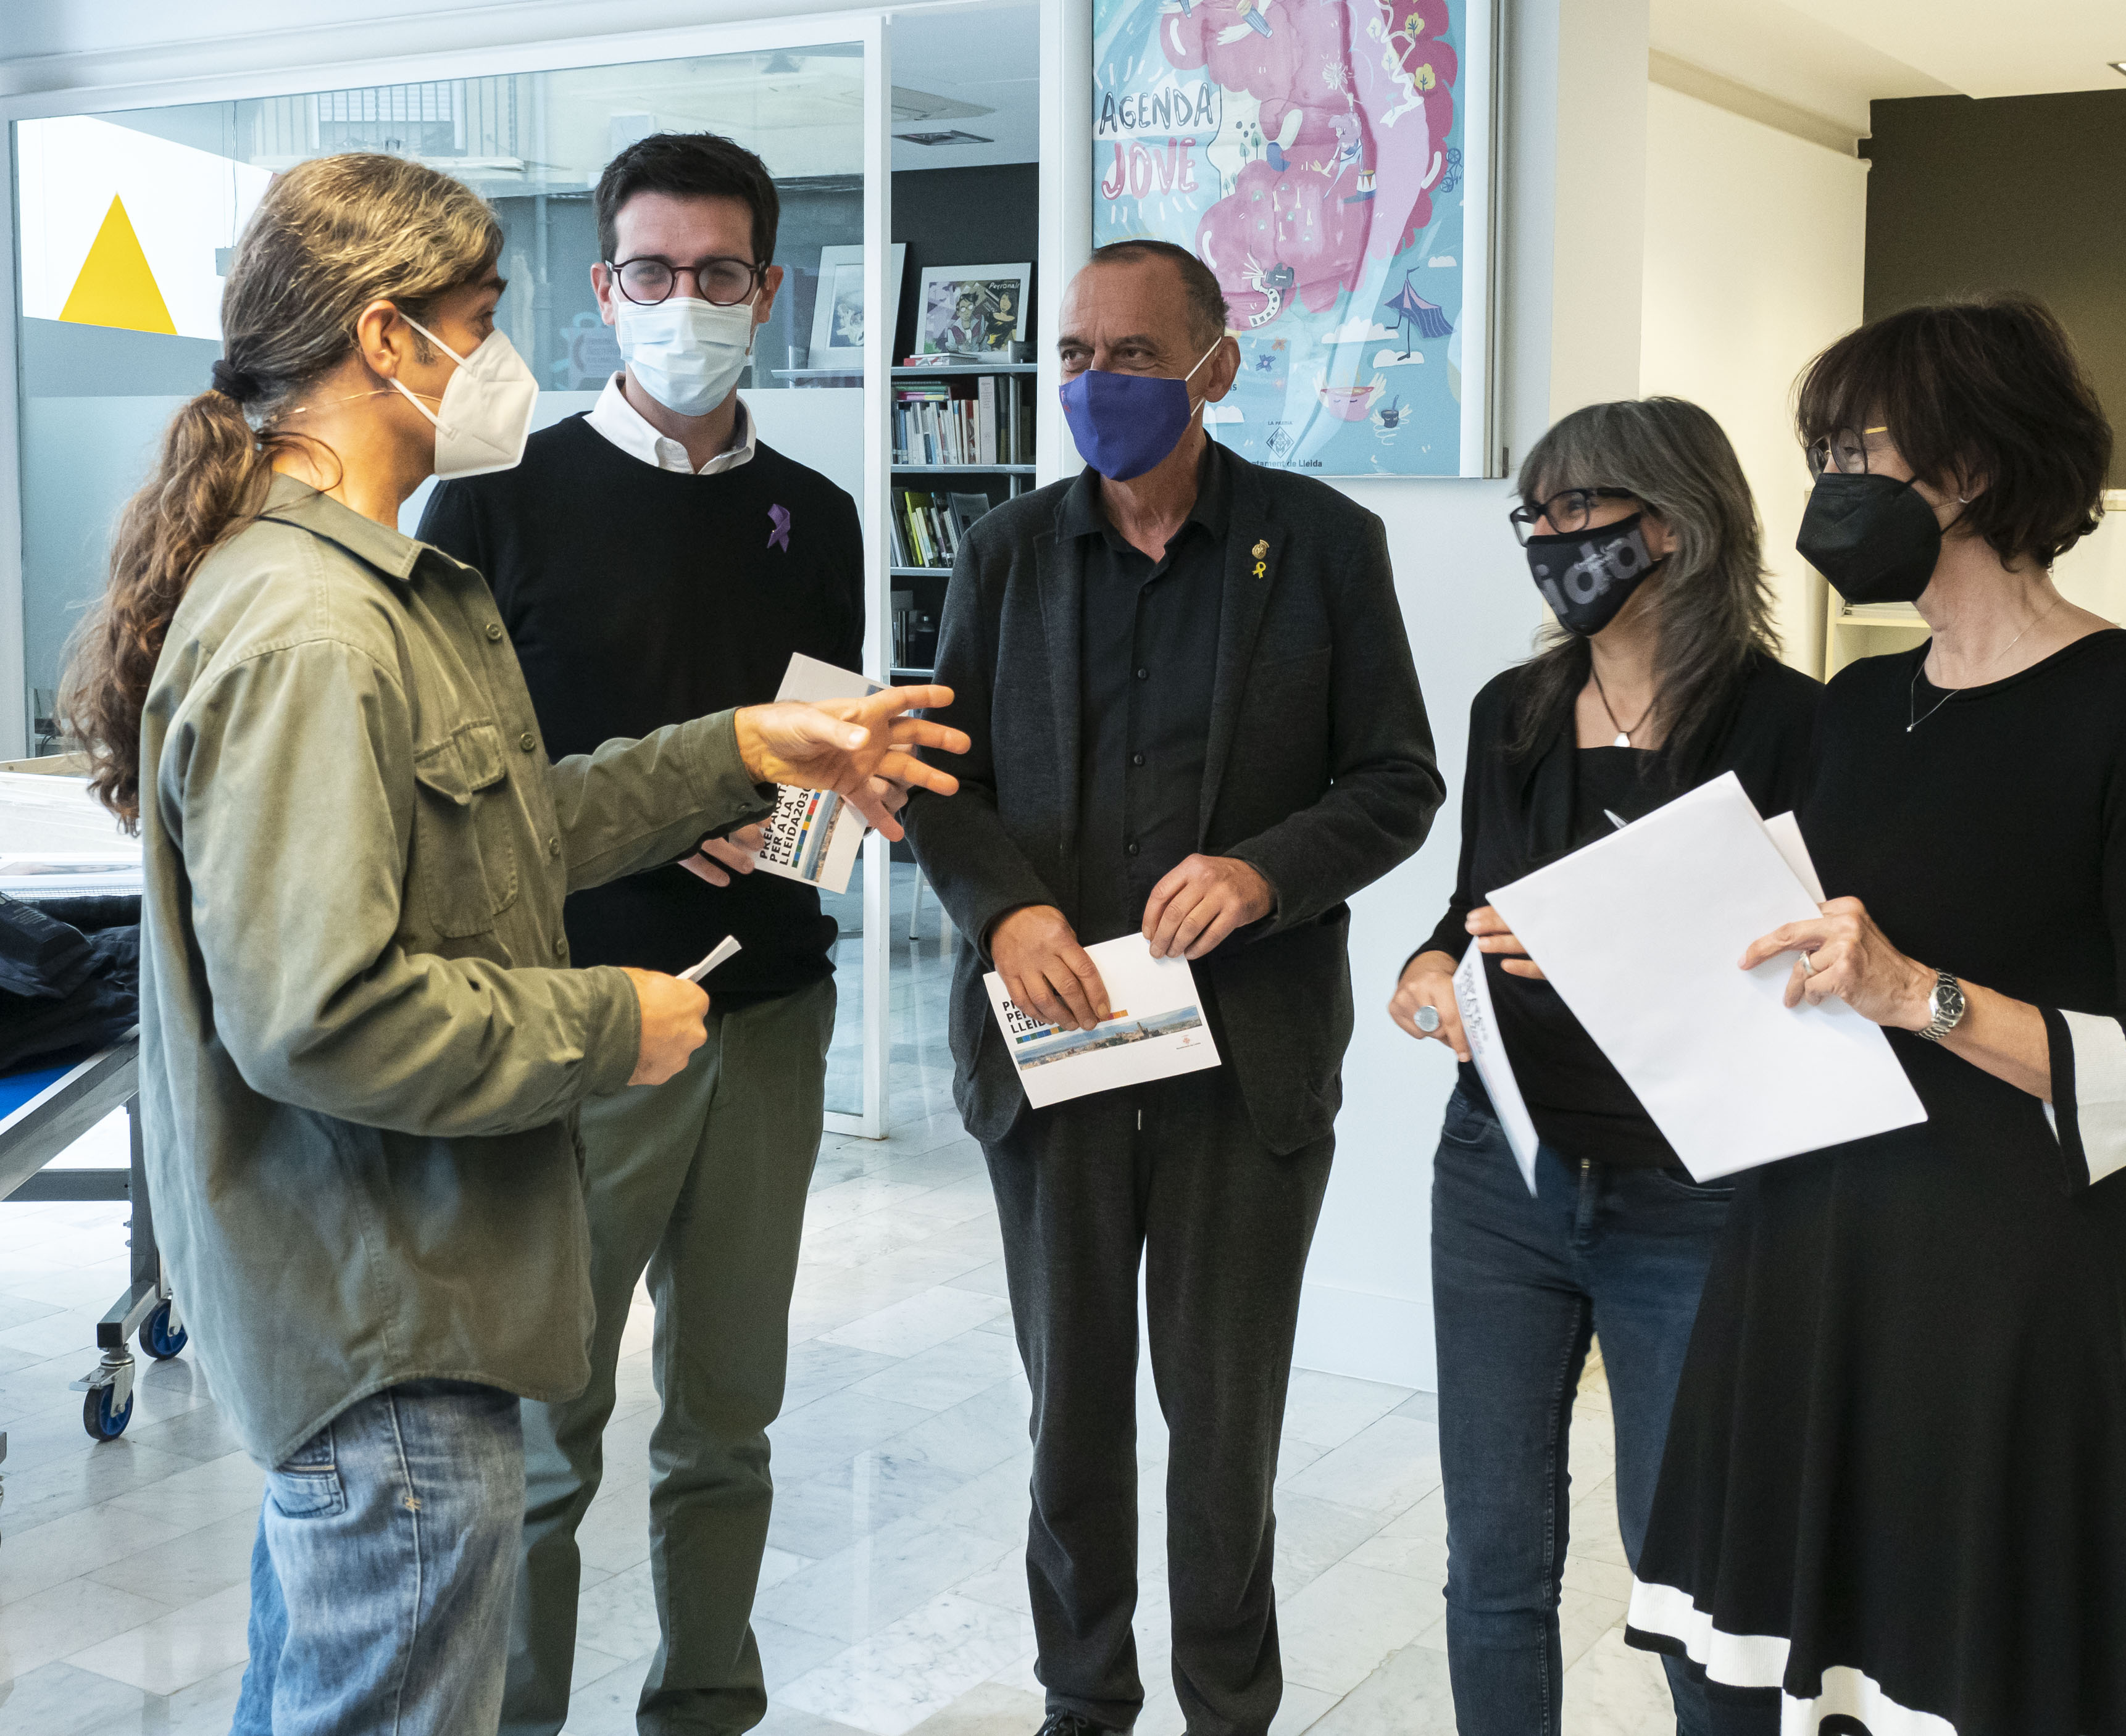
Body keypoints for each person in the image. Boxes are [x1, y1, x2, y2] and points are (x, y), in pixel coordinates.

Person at [52, 151, 963, 1736]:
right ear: (389, 337)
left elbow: (503, 828)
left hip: (407, 1291)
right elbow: (318, 1014)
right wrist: (610, 1025)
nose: (503, 358)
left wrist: (741, 750)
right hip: (385, 1319)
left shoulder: (362, 593)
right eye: (482, 320)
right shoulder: (317, 627)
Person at [1625, 296, 2126, 1734]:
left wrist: (1921, 995)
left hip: (1991, 1280)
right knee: (1757, 1673)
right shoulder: (1855, 706)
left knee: (1952, 1674)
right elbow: (1812, 954)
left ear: (1971, 465)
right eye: (1820, 456)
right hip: (1803, 1241)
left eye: (1855, 454)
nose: (1828, 489)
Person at [904, 238, 1443, 1736]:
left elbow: (1396, 780)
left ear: (1216, 365)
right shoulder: (1006, 551)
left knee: (1224, 1432)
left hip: (1243, 1062)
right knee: (1070, 1420)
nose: (1097, 384)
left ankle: (1227, 1707)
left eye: (1132, 356)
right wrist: (1006, 911)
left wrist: (1263, 874)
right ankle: (1083, 1700)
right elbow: (943, 783)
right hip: (1055, 1047)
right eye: (1074, 356)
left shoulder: (1321, 546)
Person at [416, 130, 870, 1736]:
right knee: (546, 1433)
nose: (688, 299)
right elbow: (450, 794)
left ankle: (706, 1701)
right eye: (655, 270)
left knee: (728, 1420)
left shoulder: (816, 516)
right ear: (604, 289)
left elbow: (826, 752)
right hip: (577, 1016)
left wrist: (796, 818)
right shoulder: (492, 501)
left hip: (770, 1010)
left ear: (767, 287)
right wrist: (665, 808)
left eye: (720, 271)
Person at [1387, 397, 1819, 1735]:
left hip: (1695, 1191)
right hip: (1501, 1175)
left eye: (1577, 509)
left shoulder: (1793, 723)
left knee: (1693, 1574)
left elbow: (1798, 956)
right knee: (1493, 1562)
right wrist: (1427, 969)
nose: (1548, 537)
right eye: (1536, 512)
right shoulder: (1512, 711)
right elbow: (1472, 908)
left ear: (1674, 525)